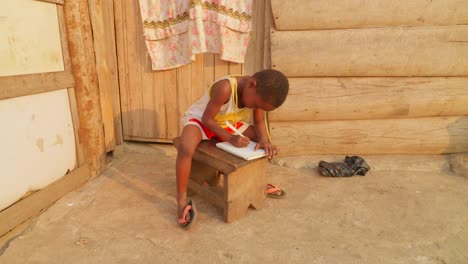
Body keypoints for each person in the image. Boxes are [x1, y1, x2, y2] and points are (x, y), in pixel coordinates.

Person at [176, 69, 289, 229]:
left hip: (228, 125)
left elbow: (259, 123)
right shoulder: (225, 88)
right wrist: (230, 138)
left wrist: (265, 141)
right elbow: (207, 119)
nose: (255, 108)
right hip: (202, 121)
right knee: (186, 147)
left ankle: (255, 183)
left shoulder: (258, 92)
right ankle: (181, 200)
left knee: (259, 140)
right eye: (256, 105)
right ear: (251, 84)